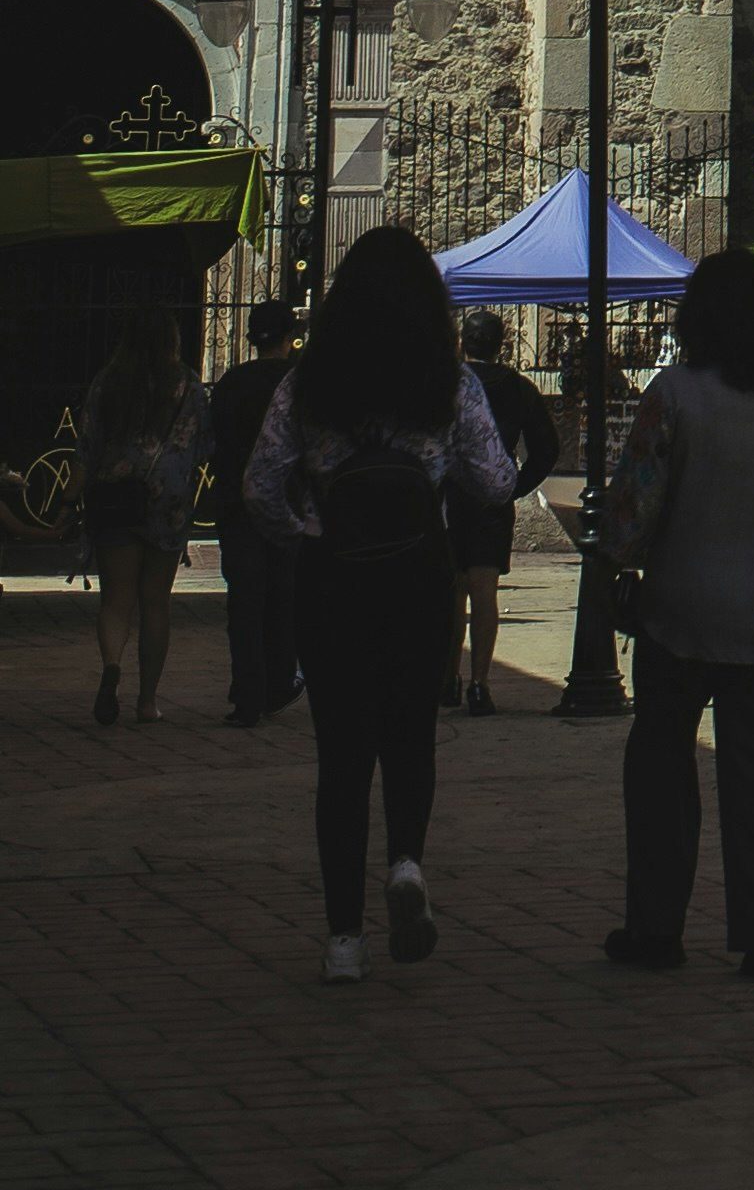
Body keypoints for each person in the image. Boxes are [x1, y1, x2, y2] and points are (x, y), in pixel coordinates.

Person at [247, 222, 510, 984]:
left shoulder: (308, 381)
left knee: (342, 754)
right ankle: (405, 862)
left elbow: (260, 484)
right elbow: (493, 480)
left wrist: (306, 529)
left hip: (336, 575)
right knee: (409, 731)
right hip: (419, 573)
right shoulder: (449, 382)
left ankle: (342, 940)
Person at [601, 243, 754, 984]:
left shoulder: (672, 395)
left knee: (661, 765)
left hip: (681, 613)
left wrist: (619, 561)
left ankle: (656, 925)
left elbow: (632, 513)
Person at [76, 305, 209, 727]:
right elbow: (205, 444)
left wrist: (67, 501)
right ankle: (147, 700)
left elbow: (87, 445)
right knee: (155, 601)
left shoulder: (109, 383)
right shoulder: (187, 384)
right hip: (167, 500)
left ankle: (112, 667)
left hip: (115, 496)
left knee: (115, 600)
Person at [444, 307, 559, 715]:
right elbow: (546, 448)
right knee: (485, 593)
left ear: (463, 342)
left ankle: (448, 677)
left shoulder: (448, 383)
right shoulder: (518, 388)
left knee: (453, 592)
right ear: (501, 345)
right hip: (493, 499)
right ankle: (480, 682)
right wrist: (517, 486)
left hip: (451, 494)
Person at [205, 298, 301, 726]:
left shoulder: (231, 383)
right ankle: (277, 683)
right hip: (289, 504)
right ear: (288, 338)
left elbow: (214, 442)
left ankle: (245, 692)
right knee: (283, 599)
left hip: (238, 503)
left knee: (244, 602)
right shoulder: (300, 383)